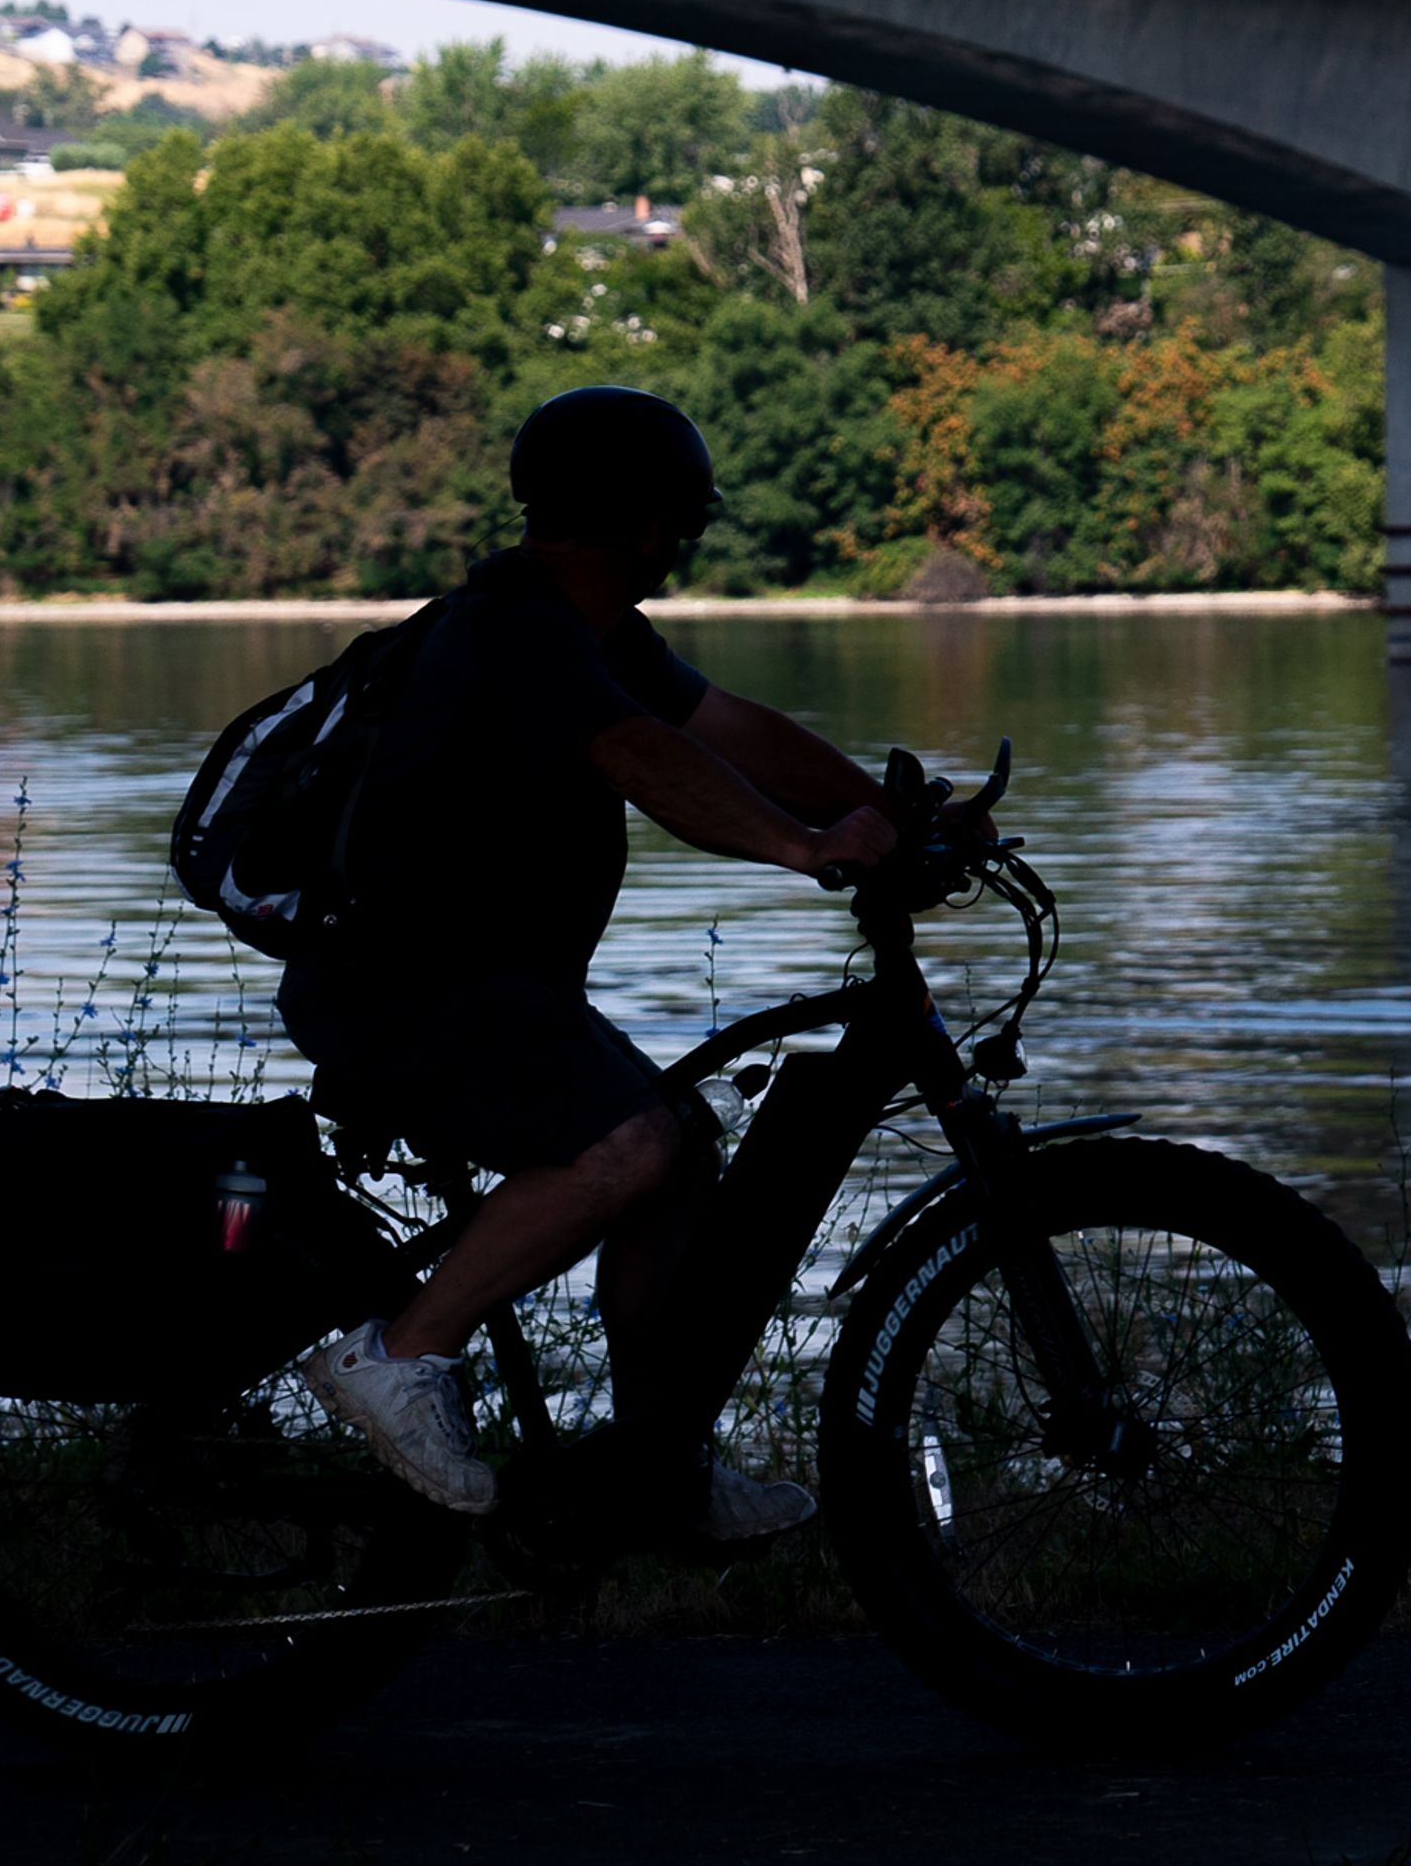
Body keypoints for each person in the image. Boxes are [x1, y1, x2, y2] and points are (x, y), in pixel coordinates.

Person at [291, 386, 953, 1529]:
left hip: (490, 988)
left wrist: (896, 813)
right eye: (679, 521)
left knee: (679, 1150)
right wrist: (807, 846)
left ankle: (658, 1466)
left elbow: (728, 728)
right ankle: (395, 1355)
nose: (680, 542)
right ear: (650, 523)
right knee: (630, 1143)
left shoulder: (589, 630)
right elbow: (645, 755)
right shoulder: (516, 630)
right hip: (406, 992)